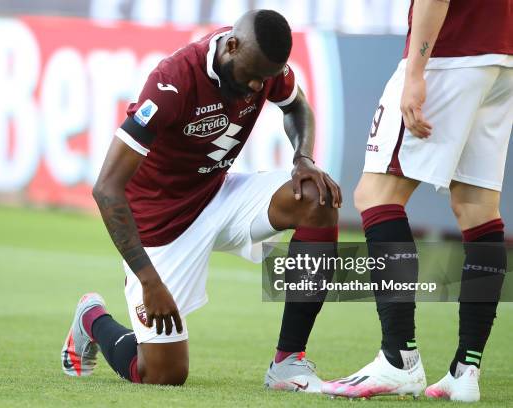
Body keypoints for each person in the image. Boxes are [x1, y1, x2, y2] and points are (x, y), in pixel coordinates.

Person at [60, 9, 342, 390]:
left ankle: (288, 361)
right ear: (231, 46)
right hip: (161, 229)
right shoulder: (171, 83)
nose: (258, 87)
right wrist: (149, 281)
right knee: (163, 375)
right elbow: (106, 188)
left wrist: (303, 159)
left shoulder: (260, 66)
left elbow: (297, 105)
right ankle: (91, 318)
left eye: (266, 79)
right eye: (252, 76)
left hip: (217, 195)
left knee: (317, 199)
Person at [322, 0, 511, 402]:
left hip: (452, 53)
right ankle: (466, 371)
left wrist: (415, 71)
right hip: (502, 57)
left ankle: (398, 360)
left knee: (376, 195)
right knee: (477, 209)